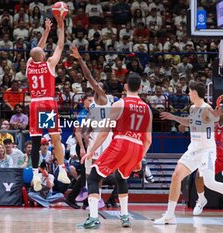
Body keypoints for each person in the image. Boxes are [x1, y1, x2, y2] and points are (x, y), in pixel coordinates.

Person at [154, 82, 223, 224]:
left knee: (211, 183)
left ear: (195, 93)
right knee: (176, 176)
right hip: (193, 150)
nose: (189, 94)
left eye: (190, 92)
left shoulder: (207, 109)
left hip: (207, 151)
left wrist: (217, 112)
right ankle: (170, 215)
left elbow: (214, 117)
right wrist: (174, 117)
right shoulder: (192, 108)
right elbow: (190, 122)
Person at [78, 75, 152, 229]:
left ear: (125, 87)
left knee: (93, 177)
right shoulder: (147, 109)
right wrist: (140, 157)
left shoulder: (119, 104)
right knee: (120, 177)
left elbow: (104, 132)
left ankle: (93, 218)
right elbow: (149, 139)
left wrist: (91, 151)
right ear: (140, 88)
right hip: (137, 146)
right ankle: (125, 216)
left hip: (121, 142)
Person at [26, 15, 70, 192]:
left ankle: (36, 175)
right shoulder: (50, 64)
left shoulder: (29, 65)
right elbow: (60, 45)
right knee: (55, 137)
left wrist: (45, 32)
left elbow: (37, 50)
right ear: (43, 55)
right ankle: (62, 169)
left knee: (36, 141)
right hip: (47, 103)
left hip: (34, 103)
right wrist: (61, 26)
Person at [70, 45, 113, 208]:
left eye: (99, 85)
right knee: (90, 167)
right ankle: (93, 195)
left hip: (104, 136)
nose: (96, 86)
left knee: (96, 167)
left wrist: (79, 59)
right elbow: (88, 122)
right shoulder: (93, 104)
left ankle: (96, 195)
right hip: (95, 135)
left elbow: (88, 76)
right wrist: (86, 135)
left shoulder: (103, 97)